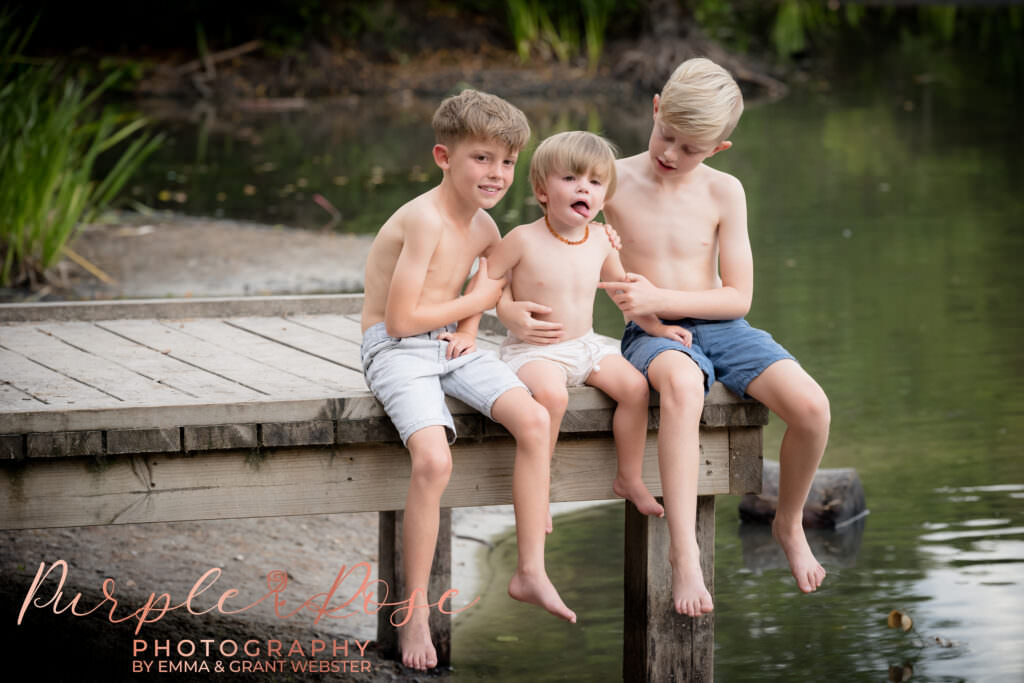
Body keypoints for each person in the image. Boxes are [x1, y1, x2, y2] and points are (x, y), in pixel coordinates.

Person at [504, 58, 831, 618]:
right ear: (654, 108)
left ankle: (788, 521)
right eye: (667, 135)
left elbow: (738, 298)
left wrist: (665, 298)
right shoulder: (610, 181)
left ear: (718, 149)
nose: (671, 153)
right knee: (683, 385)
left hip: (722, 325)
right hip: (648, 333)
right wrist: (514, 311)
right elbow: (563, 248)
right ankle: (685, 555)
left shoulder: (726, 192)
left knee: (813, 408)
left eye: (691, 148)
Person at [360, 89, 575, 671]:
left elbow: (496, 277)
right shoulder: (423, 221)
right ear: (443, 156)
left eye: (507, 161)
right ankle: (415, 615)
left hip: (449, 345)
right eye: (481, 158)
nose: (497, 173)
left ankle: (531, 570)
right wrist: (478, 299)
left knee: (533, 417)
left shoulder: (483, 228)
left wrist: (475, 322)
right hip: (396, 348)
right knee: (433, 460)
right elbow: (401, 320)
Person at [488, 130, 693, 522]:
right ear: (542, 190)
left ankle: (628, 477)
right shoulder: (521, 239)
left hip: (586, 346)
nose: (584, 188)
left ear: (604, 197)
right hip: (535, 350)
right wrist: (507, 311)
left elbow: (621, 292)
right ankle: (539, 488)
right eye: (570, 179)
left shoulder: (601, 239)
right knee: (552, 397)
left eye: (595, 182)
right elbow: (486, 284)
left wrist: (656, 327)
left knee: (635, 387)